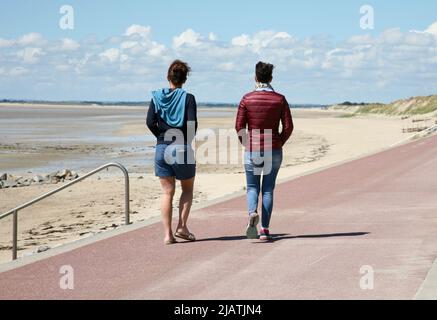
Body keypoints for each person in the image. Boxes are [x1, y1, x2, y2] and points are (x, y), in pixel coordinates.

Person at [235, 61, 294, 241]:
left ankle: (252, 212)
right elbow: (288, 127)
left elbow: (239, 126)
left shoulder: (247, 98)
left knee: (252, 186)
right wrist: (279, 142)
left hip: (253, 148)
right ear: (271, 78)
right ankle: (265, 230)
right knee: (268, 189)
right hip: (274, 149)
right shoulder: (280, 99)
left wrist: (247, 143)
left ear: (255, 77)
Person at [146, 60, 198, 245]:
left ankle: (168, 235)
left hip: (162, 147)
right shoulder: (188, 98)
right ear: (184, 79)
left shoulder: (156, 97)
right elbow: (192, 124)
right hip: (181, 146)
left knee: (167, 193)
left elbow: (150, 122)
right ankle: (182, 226)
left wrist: (161, 136)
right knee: (187, 188)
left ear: (168, 77)